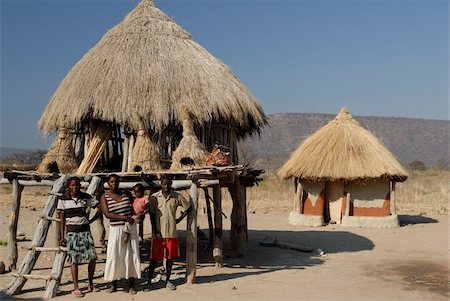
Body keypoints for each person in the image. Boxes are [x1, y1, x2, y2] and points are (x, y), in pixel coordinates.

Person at [57, 177, 99, 298]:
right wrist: (62, 235)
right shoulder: (63, 199)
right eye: (72, 185)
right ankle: (76, 287)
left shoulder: (86, 197)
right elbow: (62, 218)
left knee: (92, 258)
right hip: (71, 232)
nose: (75, 187)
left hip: (85, 231)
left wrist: (92, 219)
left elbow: (99, 206)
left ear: (80, 186)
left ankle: (91, 283)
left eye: (77, 185)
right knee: (74, 260)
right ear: (69, 187)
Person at [148, 174, 191, 290]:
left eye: (168, 184)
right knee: (154, 258)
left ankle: (168, 280)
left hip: (171, 232)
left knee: (170, 258)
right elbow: (151, 216)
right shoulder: (155, 197)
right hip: (158, 234)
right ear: (161, 184)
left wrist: (179, 219)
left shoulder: (176, 196)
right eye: (164, 184)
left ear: (171, 184)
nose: (166, 186)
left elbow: (188, 207)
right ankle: (149, 280)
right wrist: (155, 231)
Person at [100, 174, 141, 294]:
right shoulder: (104, 196)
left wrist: (138, 214)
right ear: (108, 183)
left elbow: (135, 205)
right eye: (111, 182)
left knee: (130, 254)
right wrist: (124, 217)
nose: (114, 184)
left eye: (116, 182)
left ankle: (131, 285)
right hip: (115, 229)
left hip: (129, 228)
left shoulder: (126, 194)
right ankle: (113, 284)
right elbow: (107, 214)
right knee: (114, 255)